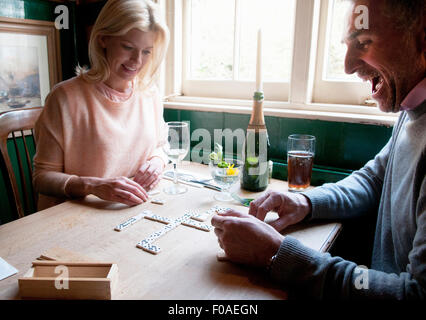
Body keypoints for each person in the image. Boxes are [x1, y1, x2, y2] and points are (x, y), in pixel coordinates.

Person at [212, 0, 425, 299]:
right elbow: (374, 179)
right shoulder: (411, 104)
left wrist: (275, 253)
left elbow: (415, 294)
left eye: (364, 41)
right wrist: (304, 202)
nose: (348, 66)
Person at [33, 0, 170, 210]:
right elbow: (42, 178)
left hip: (128, 213)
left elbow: (160, 147)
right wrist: (92, 185)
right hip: (72, 218)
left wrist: (157, 163)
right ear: (103, 39)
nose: (137, 61)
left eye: (147, 51)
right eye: (128, 47)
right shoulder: (64, 97)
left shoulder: (150, 93)